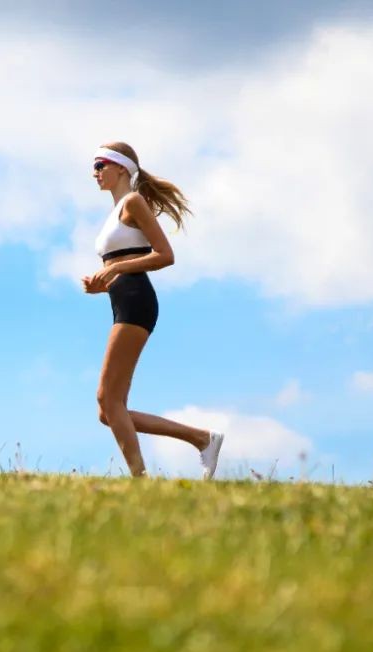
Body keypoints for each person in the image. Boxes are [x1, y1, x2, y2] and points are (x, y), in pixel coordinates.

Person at [82, 142, 225, 479]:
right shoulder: (115, 212)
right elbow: (119, 264)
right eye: (94, 166)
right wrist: (101, 282)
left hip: (136, 300)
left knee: (107, 398)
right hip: (123, 299)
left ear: (121, 168)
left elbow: (165, 254)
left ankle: (139, 478)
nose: (95, 172)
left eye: (101, 164)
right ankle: (201, 438)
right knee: (108, 410)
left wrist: (116, 270)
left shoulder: (133, 202)